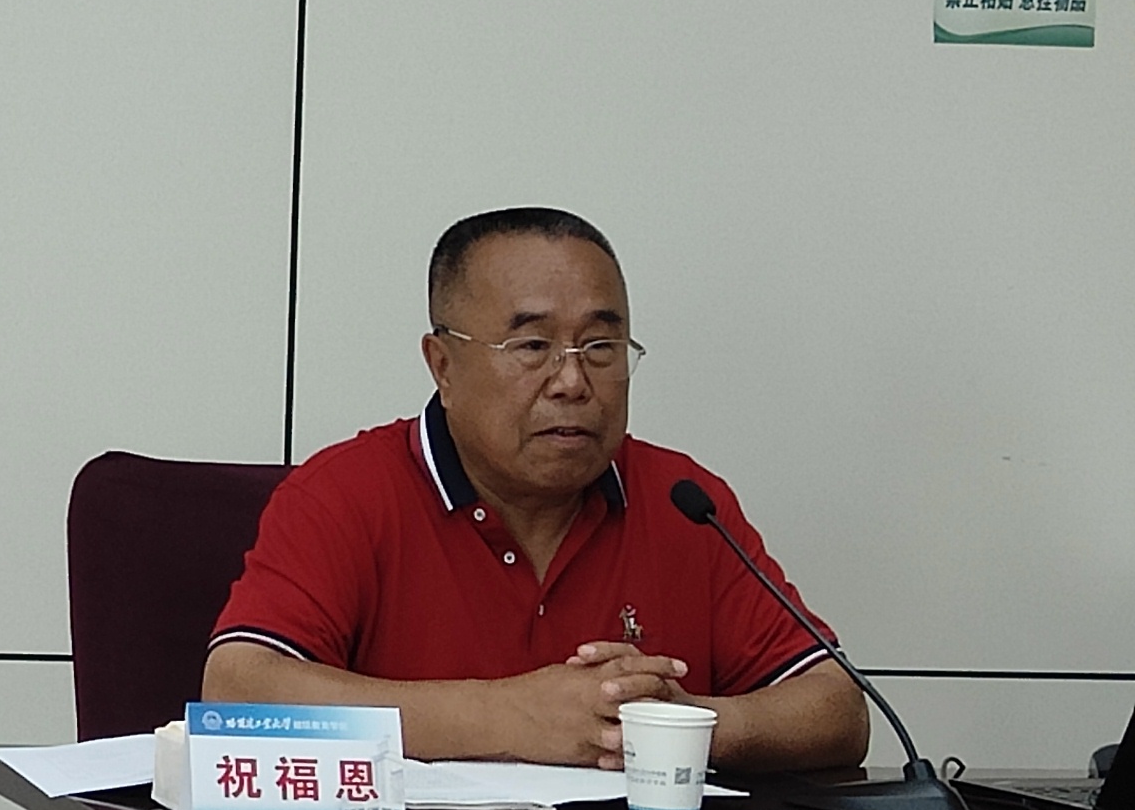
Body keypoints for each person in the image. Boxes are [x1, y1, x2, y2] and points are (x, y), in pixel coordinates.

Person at [201, 207, 868, 774]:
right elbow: (239, 691)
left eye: (601, 347)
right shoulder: (346, 493)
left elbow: (836, 706)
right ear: (443, 365)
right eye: (532, 347)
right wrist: (511, 717)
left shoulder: (682, 501)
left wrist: (681, 725)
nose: (572, 382)